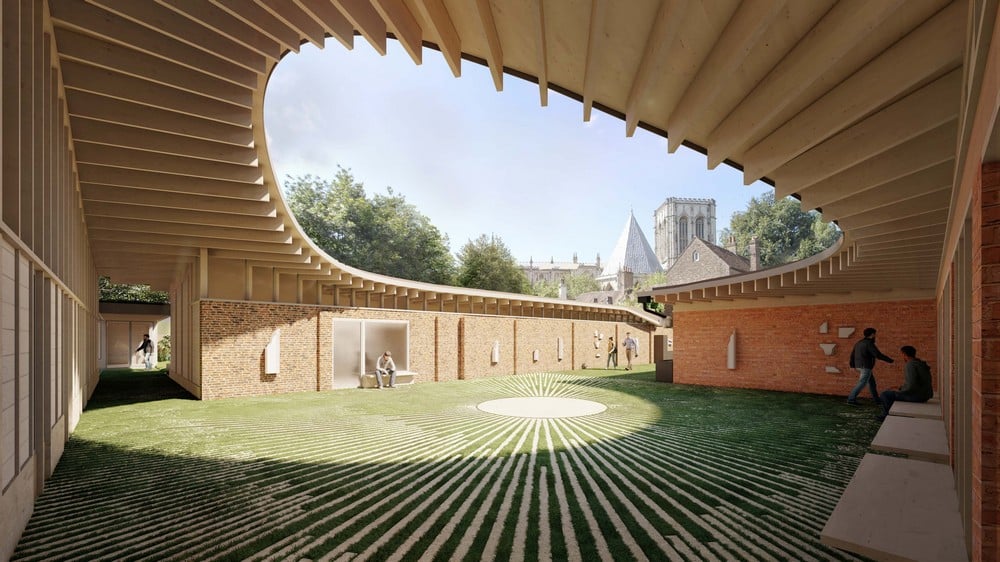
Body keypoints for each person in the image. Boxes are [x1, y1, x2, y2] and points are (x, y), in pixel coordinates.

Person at [877, 345, 933, 420]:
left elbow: (911, 386)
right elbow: (914, 383)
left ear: (904, 354)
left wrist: (900, 390)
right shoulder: (919, 363)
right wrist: (900, 387)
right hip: (925, 394)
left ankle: (886, 415)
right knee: (891, 392)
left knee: (885, 395)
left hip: (918, 396)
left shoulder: (910, 364)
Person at [847, 327, 894, 405]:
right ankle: (851, 400)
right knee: (862, 383)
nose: (875, 335)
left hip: (859, 366)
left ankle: (877, 400)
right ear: (872, 334)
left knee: (872, 383)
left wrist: (852, 365)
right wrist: (890, 360)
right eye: (875, 334)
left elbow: (852, 354)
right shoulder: (869, 343)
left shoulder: (859, 342)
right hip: (866, 366)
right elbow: (877, 355)